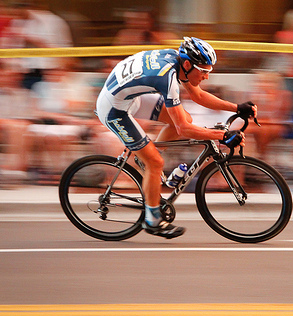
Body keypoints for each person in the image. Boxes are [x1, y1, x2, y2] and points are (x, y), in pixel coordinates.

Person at [96, 37, 257, 239]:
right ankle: (152, 220)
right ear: (188, 65)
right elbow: (184, 130)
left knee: (184, 117)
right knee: (156, 161)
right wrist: (222, 136)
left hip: (130, 97)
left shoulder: (178, 60)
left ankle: (145, 163)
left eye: (210, 71)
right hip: (114, 109)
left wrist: (237, 107)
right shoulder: (167, 77)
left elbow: (198, 96)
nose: (207, 77)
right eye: (204, 71)